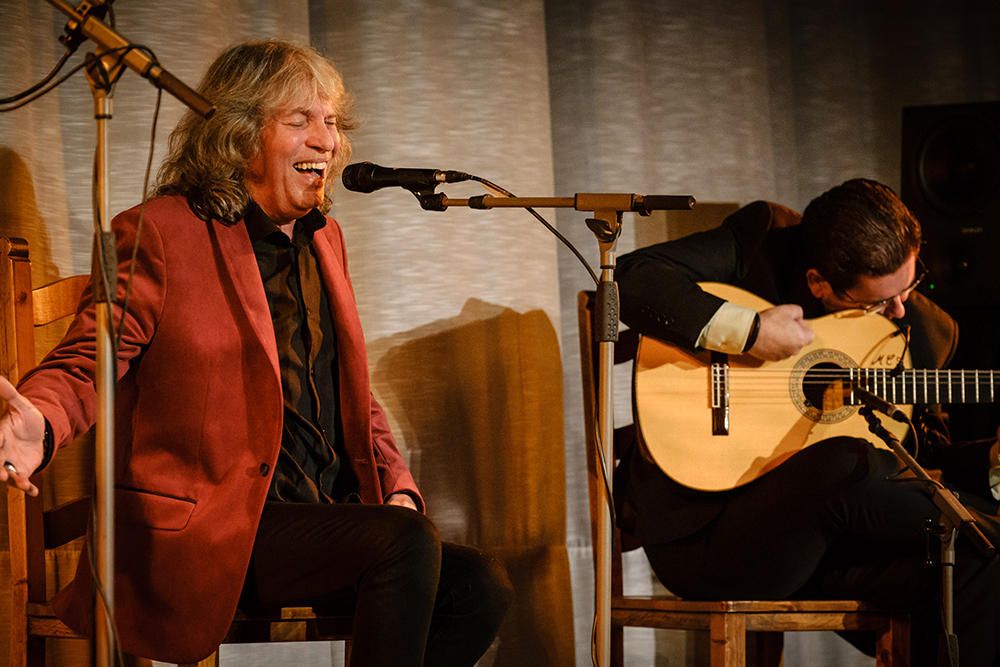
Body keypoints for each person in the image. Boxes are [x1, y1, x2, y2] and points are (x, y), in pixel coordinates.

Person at [0, 40, 511, 665]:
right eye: (300, 120)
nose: (325, 140)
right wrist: (42, 423)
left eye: (330, 122)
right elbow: (90, 359)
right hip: (210, 528)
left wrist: (398, 483)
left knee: (479, 584)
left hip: (318, 518)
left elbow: (352, 390)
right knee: (400, 545)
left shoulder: (326, 240)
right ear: (240, 136)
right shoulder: (161, 231)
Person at [614, 178, 1000, 665]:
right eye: (878, 303)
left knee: (979, 567)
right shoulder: (766, 242)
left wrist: (989, 460)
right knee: (848, 462)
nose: (899, 310)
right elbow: (632, 277)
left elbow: (917, 463)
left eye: (911, 284)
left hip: (837, 546)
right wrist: (749, 332)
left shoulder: (925, 330)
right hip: (715, 538)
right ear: (818, 283)